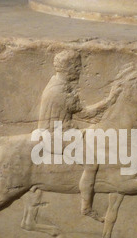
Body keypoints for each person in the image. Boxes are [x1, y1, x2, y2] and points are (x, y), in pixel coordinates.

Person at [37, 50, 120, 221]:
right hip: (55, 137)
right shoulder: (60, 92)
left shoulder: (58, 84)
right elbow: (85, 113)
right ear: (67, 69)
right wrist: (111, 99)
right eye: (77, 67)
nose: (80, 70)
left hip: (64, 131)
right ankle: (86, 207)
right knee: (91, 163)